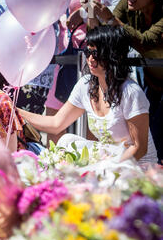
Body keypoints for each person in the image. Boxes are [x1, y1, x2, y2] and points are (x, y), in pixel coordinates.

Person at [18, 25, 158, 166]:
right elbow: (56, 124)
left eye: (96, 53)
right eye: (88, 52)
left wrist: (104, 168)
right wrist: (14, 111)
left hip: (135, 165)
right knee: (66, 141)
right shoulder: (86, 85)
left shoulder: (131, 92)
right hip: (107, 158)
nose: (90, 59)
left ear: (115, 55)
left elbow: (139, 148)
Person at [79, 0, 162, 163]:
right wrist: (92, 12)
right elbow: (105, 40)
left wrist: (110, 19)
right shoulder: (128, 1)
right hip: (149, 78)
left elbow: (146, 43)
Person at [48, 0, 124, 145]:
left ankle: (91, 167)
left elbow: (108, 26)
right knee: (55, 120)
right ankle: (53, 166)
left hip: (93, 61)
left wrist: (86, 11)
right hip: (64, 58)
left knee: (92, 121)